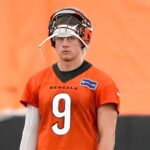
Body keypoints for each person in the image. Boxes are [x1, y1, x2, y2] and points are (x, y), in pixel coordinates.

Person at [19, 7, 120, 150]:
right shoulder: (37, 81)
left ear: (83, 40)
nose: (65, 43)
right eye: (60, 38)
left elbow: (108, 135)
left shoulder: (103, 82)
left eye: (71, 38)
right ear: (53, 41)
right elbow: (29, 133)